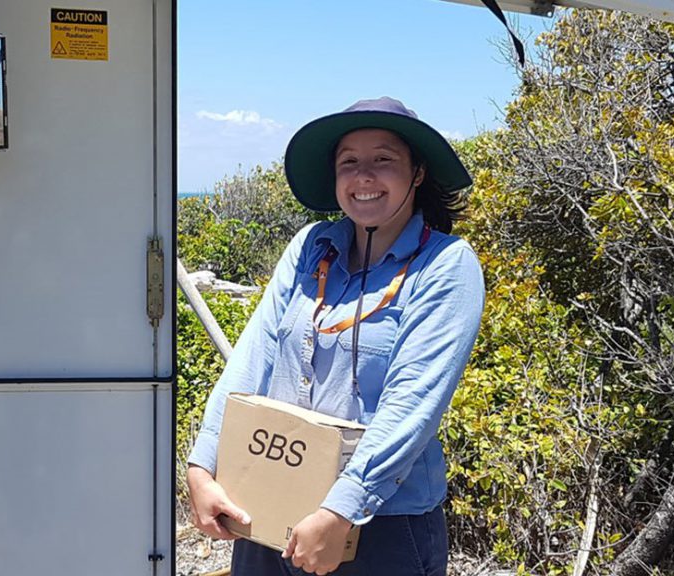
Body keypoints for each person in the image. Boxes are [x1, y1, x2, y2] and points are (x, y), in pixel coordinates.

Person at [186, 97, 485, 576]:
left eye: (383, 159)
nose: (363, 176)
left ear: (418, 173)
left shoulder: (446, 266)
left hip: (380, 523)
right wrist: (203, 465)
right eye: (349, 162)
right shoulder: (311, 248)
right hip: (269, 503)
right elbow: (252, 359)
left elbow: (413, 405)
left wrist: (340, 510)